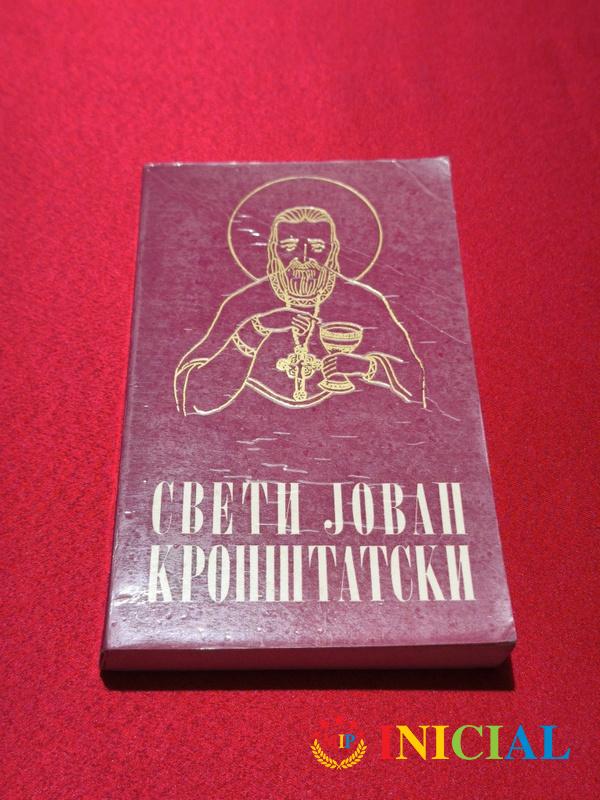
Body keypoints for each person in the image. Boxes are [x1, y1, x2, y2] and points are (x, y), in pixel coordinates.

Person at [174, 206, 425, 414]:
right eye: (289, 246)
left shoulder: (365, 303)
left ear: (332, 251)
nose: (303, 258)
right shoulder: (243, 304)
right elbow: (193, 399)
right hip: (250, 436)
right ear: (273, 250)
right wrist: (256, 330)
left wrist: (366, 367)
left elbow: (415, 385)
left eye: (317, 247)